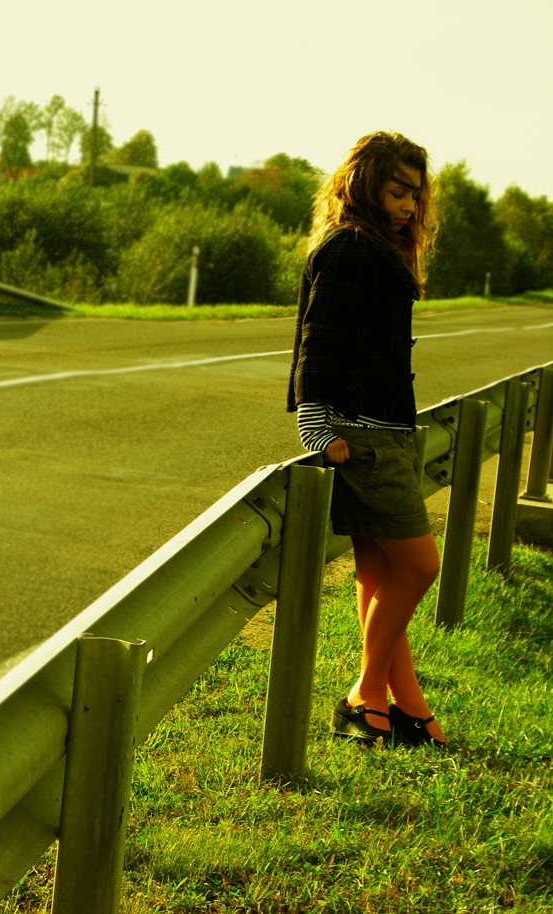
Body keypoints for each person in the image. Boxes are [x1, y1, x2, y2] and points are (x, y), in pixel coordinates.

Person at [286, 131, 446, 748]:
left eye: (415, 195)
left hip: (387, 431)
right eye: (397, 191)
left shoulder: (377, 247)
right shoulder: (351, 247)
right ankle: (364, 693)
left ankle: (402, 705)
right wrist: (314, 423)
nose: (408, 205)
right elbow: (318, 341)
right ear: (365, 182)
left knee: (380, 573)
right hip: (361, 434)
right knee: (419, 566)